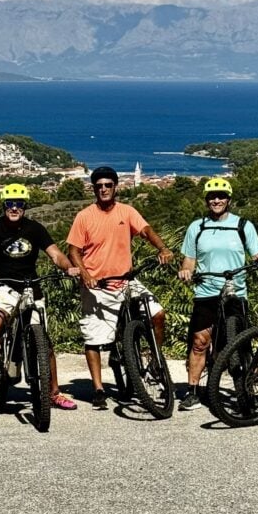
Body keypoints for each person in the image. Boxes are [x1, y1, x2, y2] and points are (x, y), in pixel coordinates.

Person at [67, 166, 173, 410]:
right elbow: (73, 250)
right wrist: (85, 275)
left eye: (108, 185)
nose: (103, 189)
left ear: (116, 187)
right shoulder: (84, 216)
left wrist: (162, 248)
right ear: (94, 188)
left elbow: (146, 230)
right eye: (99, 186)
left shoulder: (127, 211)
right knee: (94, 339)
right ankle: (98, 388)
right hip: (97, 286)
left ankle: (154, 359)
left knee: (158, 314)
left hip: (126, 280)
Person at [0, 183, 81, 411]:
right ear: (4, 205)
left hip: (31, 287)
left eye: (18, 204)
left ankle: (54, 393)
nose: (14, 208)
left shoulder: (35, 229)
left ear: (24, 206)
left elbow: (55, 254)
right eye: (10, 204)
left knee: (45, 344)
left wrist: (68, 268)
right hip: (3, 287)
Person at [177, 177, 258, 411]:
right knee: (199, 342)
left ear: (229, 200)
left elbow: (257, 254)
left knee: (239, 345)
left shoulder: (243, 225)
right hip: (206, 291)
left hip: (235, 292)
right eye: (212, 197)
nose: (216, 200)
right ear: (206, 200)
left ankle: (245, 391)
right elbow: (190, 259)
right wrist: (186, 270)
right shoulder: (197, 226)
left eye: (221, 196)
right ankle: (193, 391)